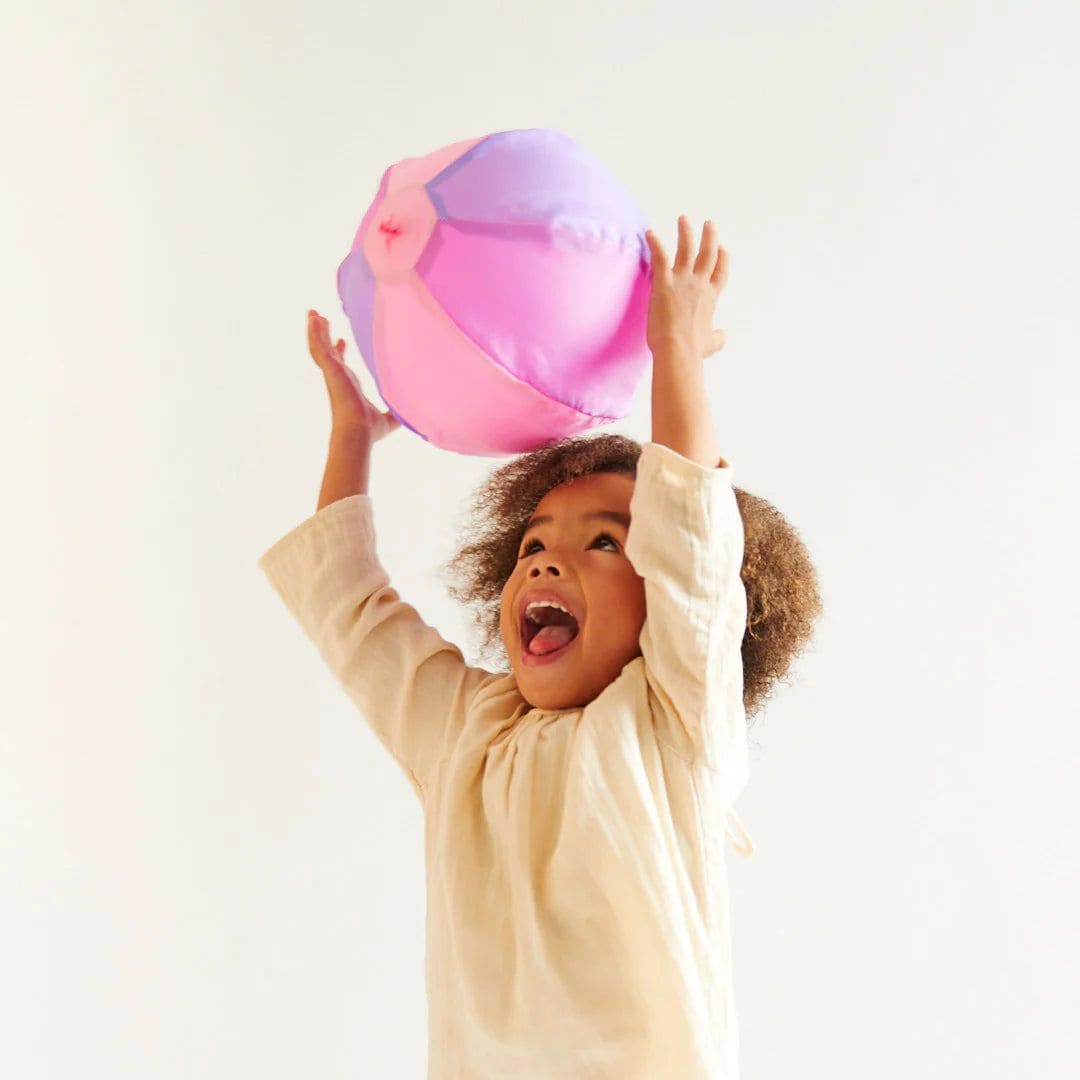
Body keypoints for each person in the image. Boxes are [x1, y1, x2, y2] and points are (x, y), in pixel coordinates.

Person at [256, 217, 822, 1078]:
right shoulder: (467, 735)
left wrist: (674, 351)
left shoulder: (675, 725)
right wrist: (350, 439)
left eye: (605, 542)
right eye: (531, 547)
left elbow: (695, 557)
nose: (547, 556)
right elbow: (350, 608)